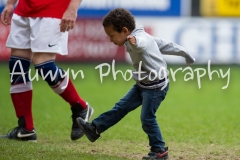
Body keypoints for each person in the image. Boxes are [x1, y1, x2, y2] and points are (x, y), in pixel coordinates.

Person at [76, 8, 195, 160]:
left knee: (147, 118)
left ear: (125, 30)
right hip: (142, 84)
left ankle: (159, 152)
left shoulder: (139, 38)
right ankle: (95, 129)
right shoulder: (135, 37)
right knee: (120, 107)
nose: (110, 40)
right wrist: (185, 53)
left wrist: (136, 42)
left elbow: (143, 43)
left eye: (112, 36)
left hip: (156, 87)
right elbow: (166, 45)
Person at [0, 0, 94, 142]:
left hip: (52, 9)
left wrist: (72, 8)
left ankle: (80, 106)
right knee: (17, 67)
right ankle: (26, 128)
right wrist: (9, 4)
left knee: (44, 65)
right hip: (23, 10)